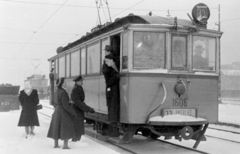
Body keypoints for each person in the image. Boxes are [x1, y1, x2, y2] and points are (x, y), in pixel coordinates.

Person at [47, 78, 76, 149]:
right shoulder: (63, 92)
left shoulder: (57, 91)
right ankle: (65, 146)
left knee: (56, 127)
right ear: (61, 83)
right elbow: (65, 105)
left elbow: (55, 102)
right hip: (63, 112)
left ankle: (56, 145)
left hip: (57, 111)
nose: (65, 83)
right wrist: (73, 112)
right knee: (65, 128)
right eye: (64, 82)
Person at [71, 75, 95, 142]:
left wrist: (87, 108)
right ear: (77, 81)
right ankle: (75, 141)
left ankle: (76, 140)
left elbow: (80, 102)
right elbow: (78, 102)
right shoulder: (76, 89)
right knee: (77, 127)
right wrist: (88, 109)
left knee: (78, 127)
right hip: (76, 111)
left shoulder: (79, 88)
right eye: (81, 81)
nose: (82, 82)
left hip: (78, 110)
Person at [103, 54, 120, 137]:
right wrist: (117, 77)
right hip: (112, 92)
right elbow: (108, 82)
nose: (106, 63)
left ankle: (115, 129)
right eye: (105, 61)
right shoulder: (107, 70)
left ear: (112, 60)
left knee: (115, 109)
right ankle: (114, 130)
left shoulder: (116, 67)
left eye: (107, 61)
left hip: (116, 91)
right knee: (113, 110)